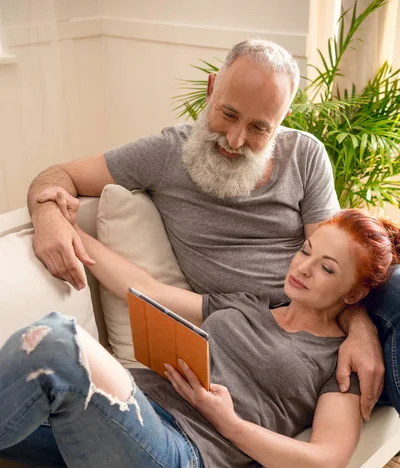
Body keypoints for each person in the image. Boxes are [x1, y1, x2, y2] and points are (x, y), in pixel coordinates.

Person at [27, 39, 389, 419]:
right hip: (250, 330)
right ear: (211, 88)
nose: (235, 140)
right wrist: (48, 216)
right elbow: (58, 174)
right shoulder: (165, 155)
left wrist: (361, 331)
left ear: (282, 121)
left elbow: (335, 259)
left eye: (259, 128)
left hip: (330, 316)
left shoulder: (305, 155)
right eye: (228, 114)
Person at [1, 207, 399, 468]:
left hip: (177, 460)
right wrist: (71, 231)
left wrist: (229, 422)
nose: (304, 268)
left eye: (328, 268)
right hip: (129, 421)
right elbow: (146, 289)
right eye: (306, 251)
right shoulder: (248, 303)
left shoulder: (340, 362)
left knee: (56, 341)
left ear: (356, 292)